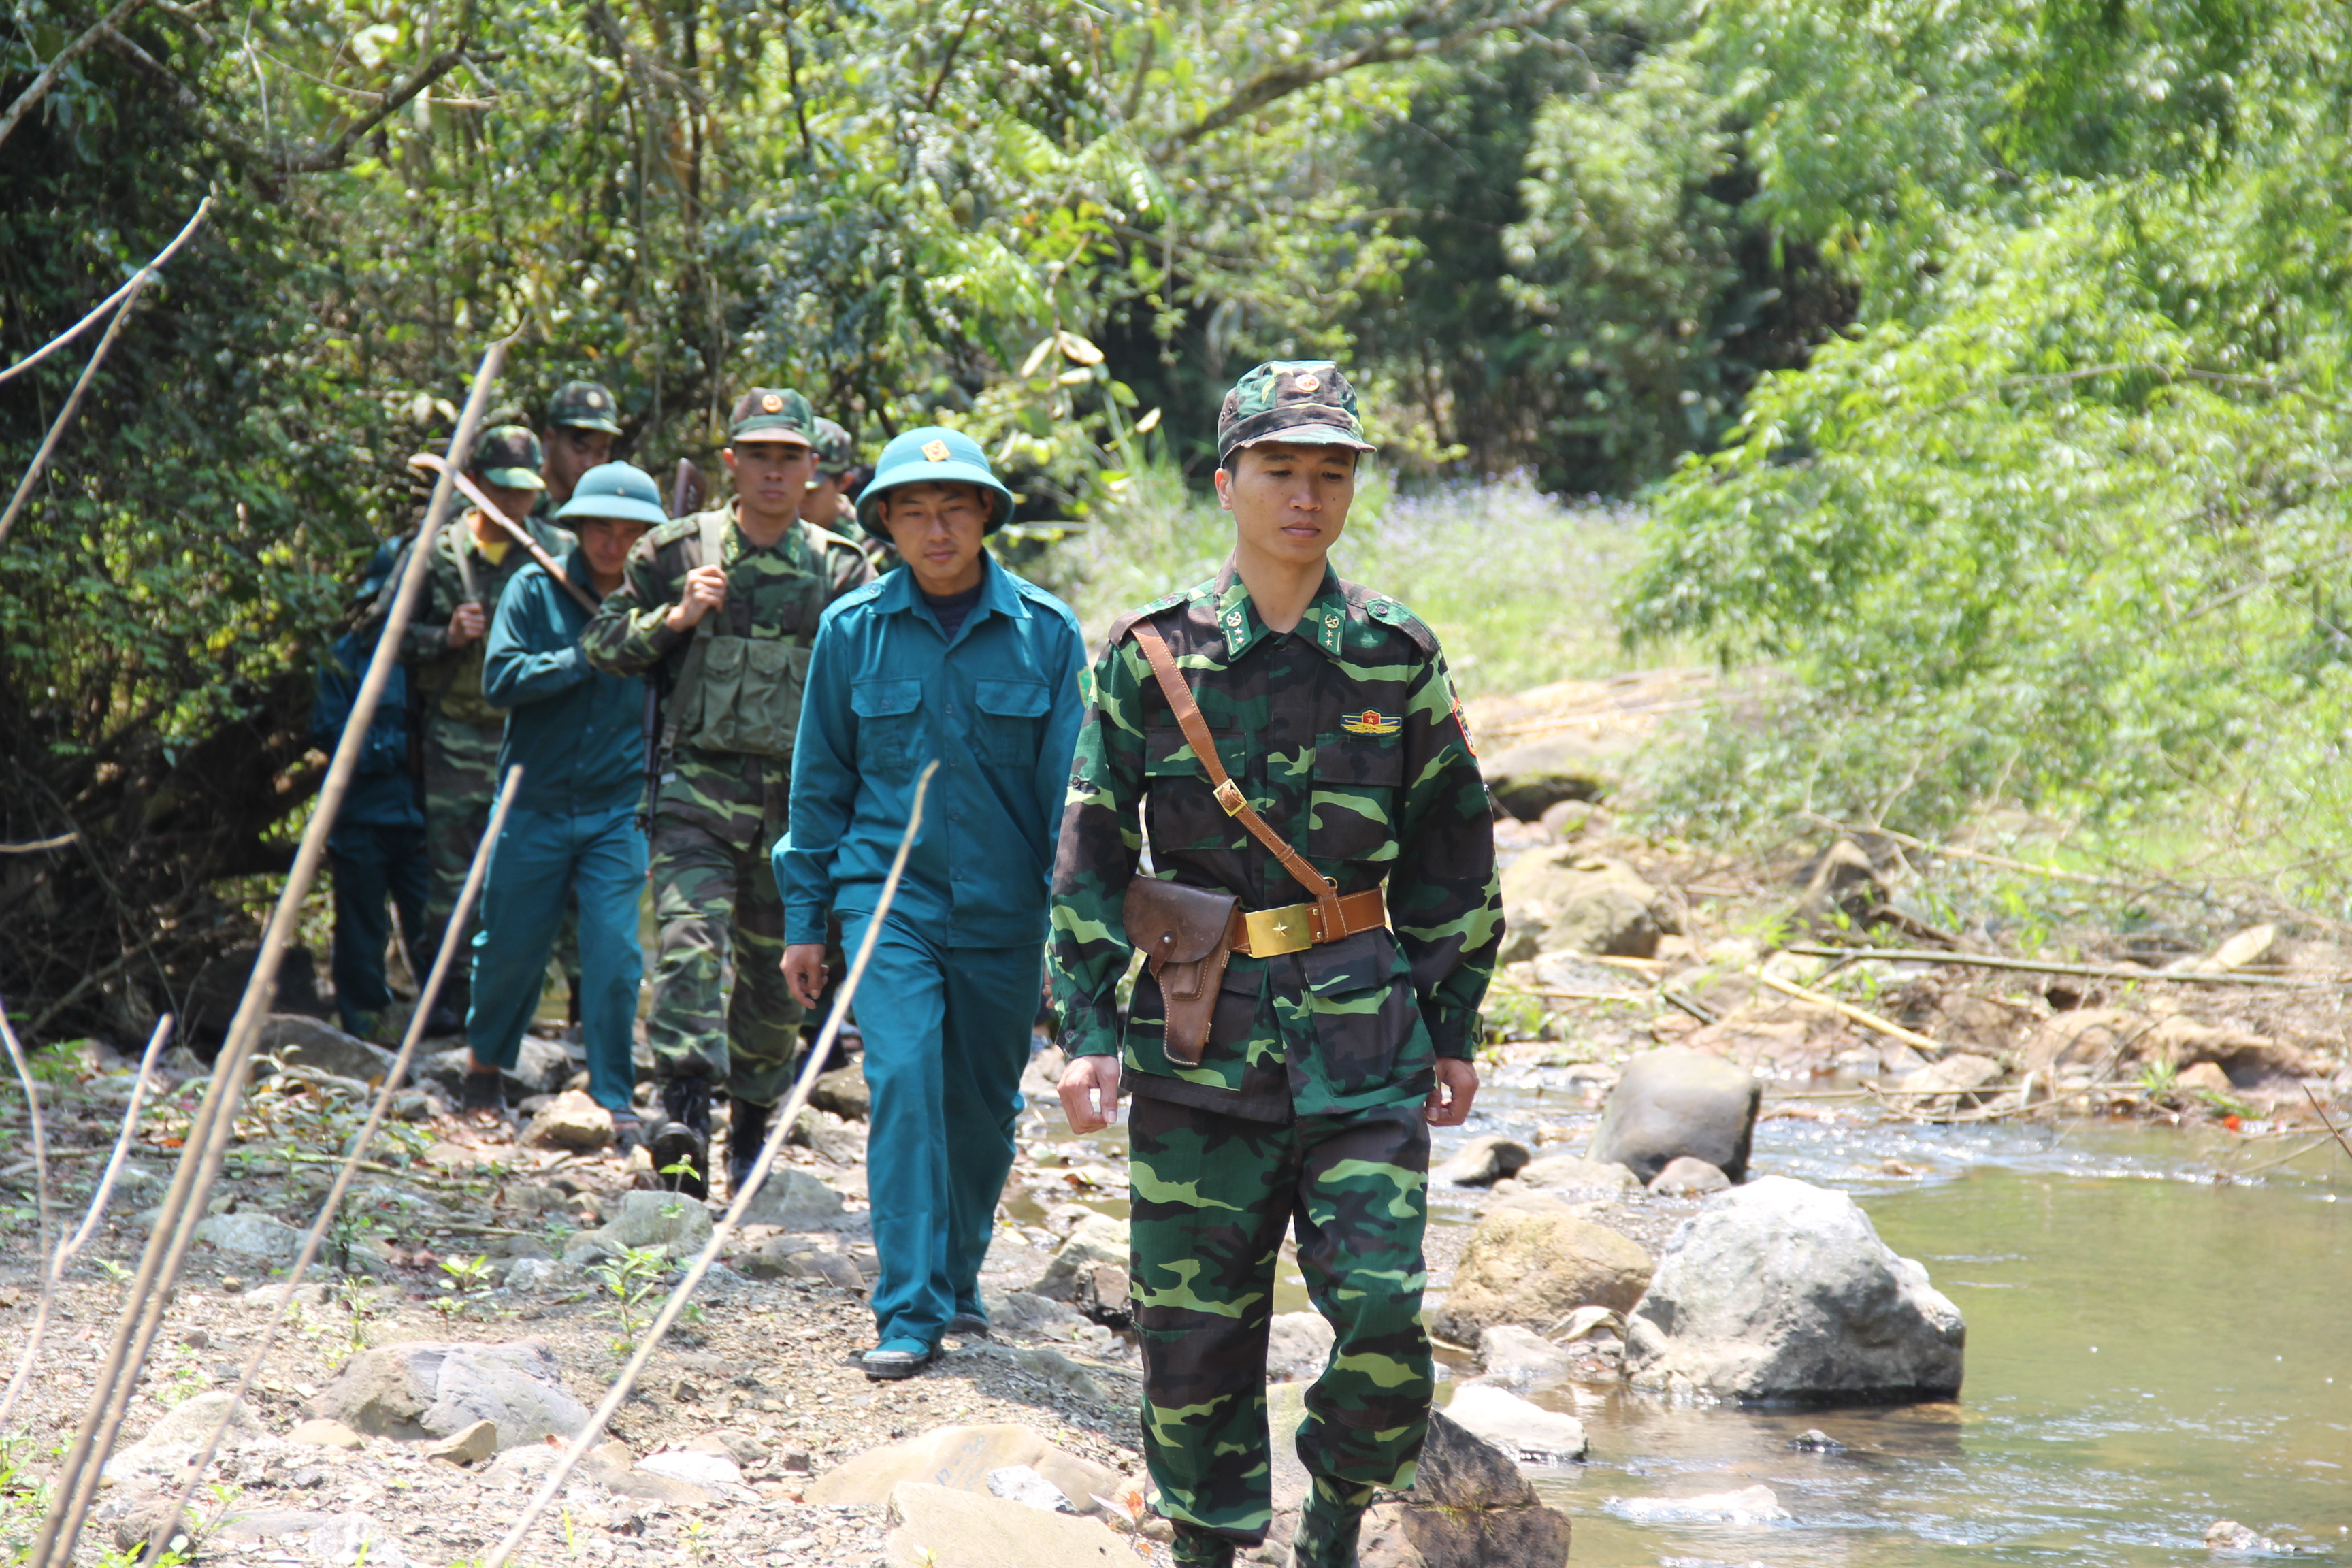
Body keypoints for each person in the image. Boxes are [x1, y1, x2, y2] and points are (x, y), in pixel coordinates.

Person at [1046, 362, 1501, 1568]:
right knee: (1195, 1340)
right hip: (1199, 1044)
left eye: (1332, 471)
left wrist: (1455, 1024)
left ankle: (1337, 1519)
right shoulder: (1151, 655)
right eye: (1282, 470)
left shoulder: (1395, 652)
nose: (1308, 495)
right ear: (1227, 480)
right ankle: (1205, 1545)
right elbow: (1092, 845)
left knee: (1386, 1318)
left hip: (1364, 1042)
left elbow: (1454, 846)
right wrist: (1086, 1028)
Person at [777, 427, 1086, 1379]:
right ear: (886, 524)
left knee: (985, 1110)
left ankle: (957, 1276)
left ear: (987, 514)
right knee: (905, 1080)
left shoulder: (1045, 631)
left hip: (1005, 911)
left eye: (954, 507)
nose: (936, 527)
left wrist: (1072, 938)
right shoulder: (853, 629)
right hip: (886, 901)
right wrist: (805, 920)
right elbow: (819, 783)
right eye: (913, 511)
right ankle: (908, 1309)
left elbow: (1068, 800)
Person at [581, 388, 872, 1198]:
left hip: (798, 814)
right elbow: (602, 644)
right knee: (687, 950)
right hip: (696, 798)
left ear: (813, 466)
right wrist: (672, 621)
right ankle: (681, 1121)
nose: (774, 472)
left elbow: (879, 680)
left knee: (781, 982)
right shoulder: (678, 552)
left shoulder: (844, 570)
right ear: (731, 463)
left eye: (790, 457)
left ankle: (751, 1124)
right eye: (759, 455)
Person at [461, 463, 661, 1134]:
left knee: (614, 953)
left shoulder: (654, 604)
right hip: (532, 802)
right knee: (510, 947)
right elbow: (502, 677)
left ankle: (614, 1094)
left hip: (617, 809)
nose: (614, 541)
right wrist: (586, 656)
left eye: (630, 531)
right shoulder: (532, 586)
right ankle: (483, 1067)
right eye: (602, 526)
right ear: (577, 527)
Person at [369, 425, 576, 1034]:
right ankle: (450, 999)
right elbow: (380, 636)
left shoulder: (559, 551)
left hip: (538, 738)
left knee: (552, 865)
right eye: (503, 491)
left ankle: (568, 1002)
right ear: (477, 486)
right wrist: (444, 637)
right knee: (453, 877)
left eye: (527, 492)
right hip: (456, 738)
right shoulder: (435, 551)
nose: (517, 505)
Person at [316, 542, 428, 1043]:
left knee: (438, 925)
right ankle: (364, 1030)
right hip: (362, 820)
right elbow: (331, 735)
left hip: (426, 821)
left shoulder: (432, 655)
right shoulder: (343, 659)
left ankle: (445, 1025)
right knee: (361, 932)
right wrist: (397, 748)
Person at [538, 380, 622, 512]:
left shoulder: (602, 515)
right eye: (580, 449)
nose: (589, 464)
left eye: (600, 453)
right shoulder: (516, 500)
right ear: (550, 437)